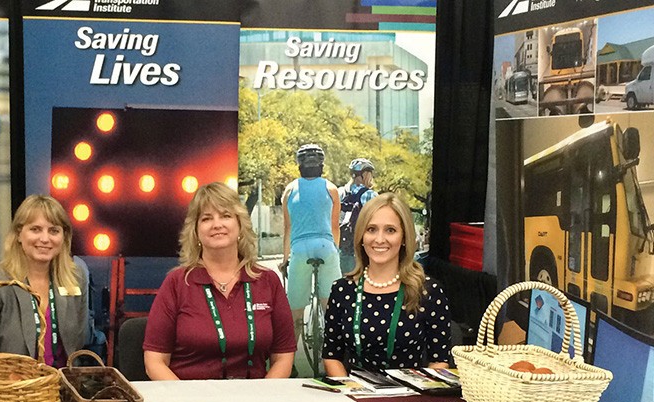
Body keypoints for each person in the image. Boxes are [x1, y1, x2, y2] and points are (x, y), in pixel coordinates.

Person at [144, 182, 296, 380]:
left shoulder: (267, 281)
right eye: (207, 218)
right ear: (196, 231)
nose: (217, 224)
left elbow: (283, 356)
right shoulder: (177, 283)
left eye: (225, 216)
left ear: (240, 224)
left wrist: (261, 400)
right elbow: (154, 362)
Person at [322, 193, 452, 375]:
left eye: (390, 230)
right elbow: (331, 356)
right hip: (354, 396)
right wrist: (353, 392)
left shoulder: (427, 292)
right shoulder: (342, 290)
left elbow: (440, 360)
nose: (379, 239)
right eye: (371, 229)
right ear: (361, 236)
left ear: (405, 237)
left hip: (409, 397)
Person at [0, 194, 90, 367]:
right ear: (18, 234)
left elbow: (79, 342)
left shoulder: (76, 278)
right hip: (11, 391)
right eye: (35, 229)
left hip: (63, 386)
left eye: (54, 230)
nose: (45, 239)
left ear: (64, 237)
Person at [282, 143, 341, 377]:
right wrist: (332, 251)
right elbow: (335, 227)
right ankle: (340, 358)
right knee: (333, 309)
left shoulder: (289, 190)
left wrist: (285, 260)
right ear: (322, 164)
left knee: (295, 311)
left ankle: (288, 364)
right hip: (326, 247)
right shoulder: (331, 188)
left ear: (299, 165)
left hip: (299, 249)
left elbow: (288, 229)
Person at [338, 158, 379, 273]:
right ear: (365, 175)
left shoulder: (340, 192)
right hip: (361, 249)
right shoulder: (370, 195)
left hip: (341, 246)